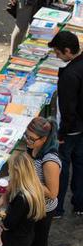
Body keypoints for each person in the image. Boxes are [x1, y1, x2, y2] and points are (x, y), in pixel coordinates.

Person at [0, 118, 61, 246]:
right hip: (26, 205)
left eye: (32, 138)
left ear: (44, 139)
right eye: (27, 136)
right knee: (20, 242)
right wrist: (4, 195)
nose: (28, 140)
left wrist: (29, 182)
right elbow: (19, 175)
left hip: (43, 210)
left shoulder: (50, 161)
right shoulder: (32, 148)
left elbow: (53, 192)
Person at [48, 31, 83, 217]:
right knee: (80, 164)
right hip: (81, 127)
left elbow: (68, 110)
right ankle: (79, 204)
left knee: (61, 168)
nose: (56, 56)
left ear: (67, 51)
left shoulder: (70, 75)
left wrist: (60, 134)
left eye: (58, 52)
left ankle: (57, 207)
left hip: (70, 130)